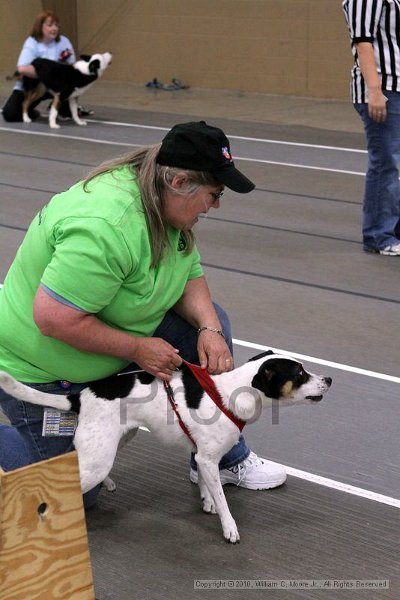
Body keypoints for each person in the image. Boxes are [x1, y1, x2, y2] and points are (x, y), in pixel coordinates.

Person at [0, 121, 287, 507]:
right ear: (182, 181)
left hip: (108, 347)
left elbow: (189, 273)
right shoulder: (106, 227)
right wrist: (138, 347)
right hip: (49, 373)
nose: (215, 205)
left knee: (207, 323)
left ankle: (222, 457)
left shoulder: (163, 199)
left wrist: (210, 328)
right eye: (214, 194)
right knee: (77, 495)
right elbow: (54, 318)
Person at [343, 0, 400, 255]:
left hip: (396, 86)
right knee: (386, 161)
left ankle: (393, 230)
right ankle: (379, 235)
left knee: (393, 162)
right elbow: (362, 41)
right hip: (382, 89)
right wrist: (375, 91)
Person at [1, 10, 92, 122]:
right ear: (40, 26)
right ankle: (32, 111)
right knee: (10, 114)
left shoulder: (64, 42)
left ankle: (61, 107)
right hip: (34, 85)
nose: (54, 28)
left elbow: (71, 66)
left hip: (56, 85)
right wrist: (47, 75)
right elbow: (22, 68)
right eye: (50, 25)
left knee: (67, 107)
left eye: (56, 25)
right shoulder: (31, 42)